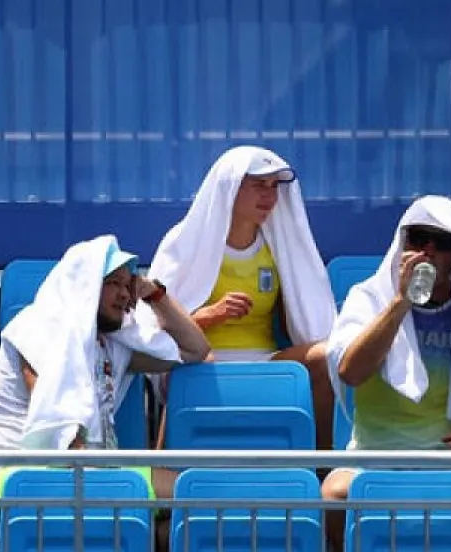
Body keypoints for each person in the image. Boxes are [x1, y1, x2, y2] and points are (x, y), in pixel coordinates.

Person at [321, 195, 451, 515]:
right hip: (376, 457)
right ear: (403, 244)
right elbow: (351, 372)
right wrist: (400, 303)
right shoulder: (368, 298)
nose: (428, 250)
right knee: (334, 493)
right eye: (418, 238)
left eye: (442, 242)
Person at [0, 235, 211, 501]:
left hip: (93, 468)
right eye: (114, 283)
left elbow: (196, 350)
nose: (125, 294)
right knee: (189, 493)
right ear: (85, 286)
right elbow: (59, 425)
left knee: (191, 495)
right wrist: (104, 478)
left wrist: (154, 293)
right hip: (21, 471)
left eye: (128, 285)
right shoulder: (37, 329)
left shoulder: (112, 345)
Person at [138, 146, 338, 447]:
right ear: (230, 188)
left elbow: (299, 323)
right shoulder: (185, 242)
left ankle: (322, 464)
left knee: (325, 357)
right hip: (201, 361)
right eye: (258, 186)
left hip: (266, 359)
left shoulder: (281, 248)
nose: (269, 197)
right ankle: (164, 468)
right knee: (189, 369)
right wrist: (212, 314)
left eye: (273, 188)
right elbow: (156, 333)